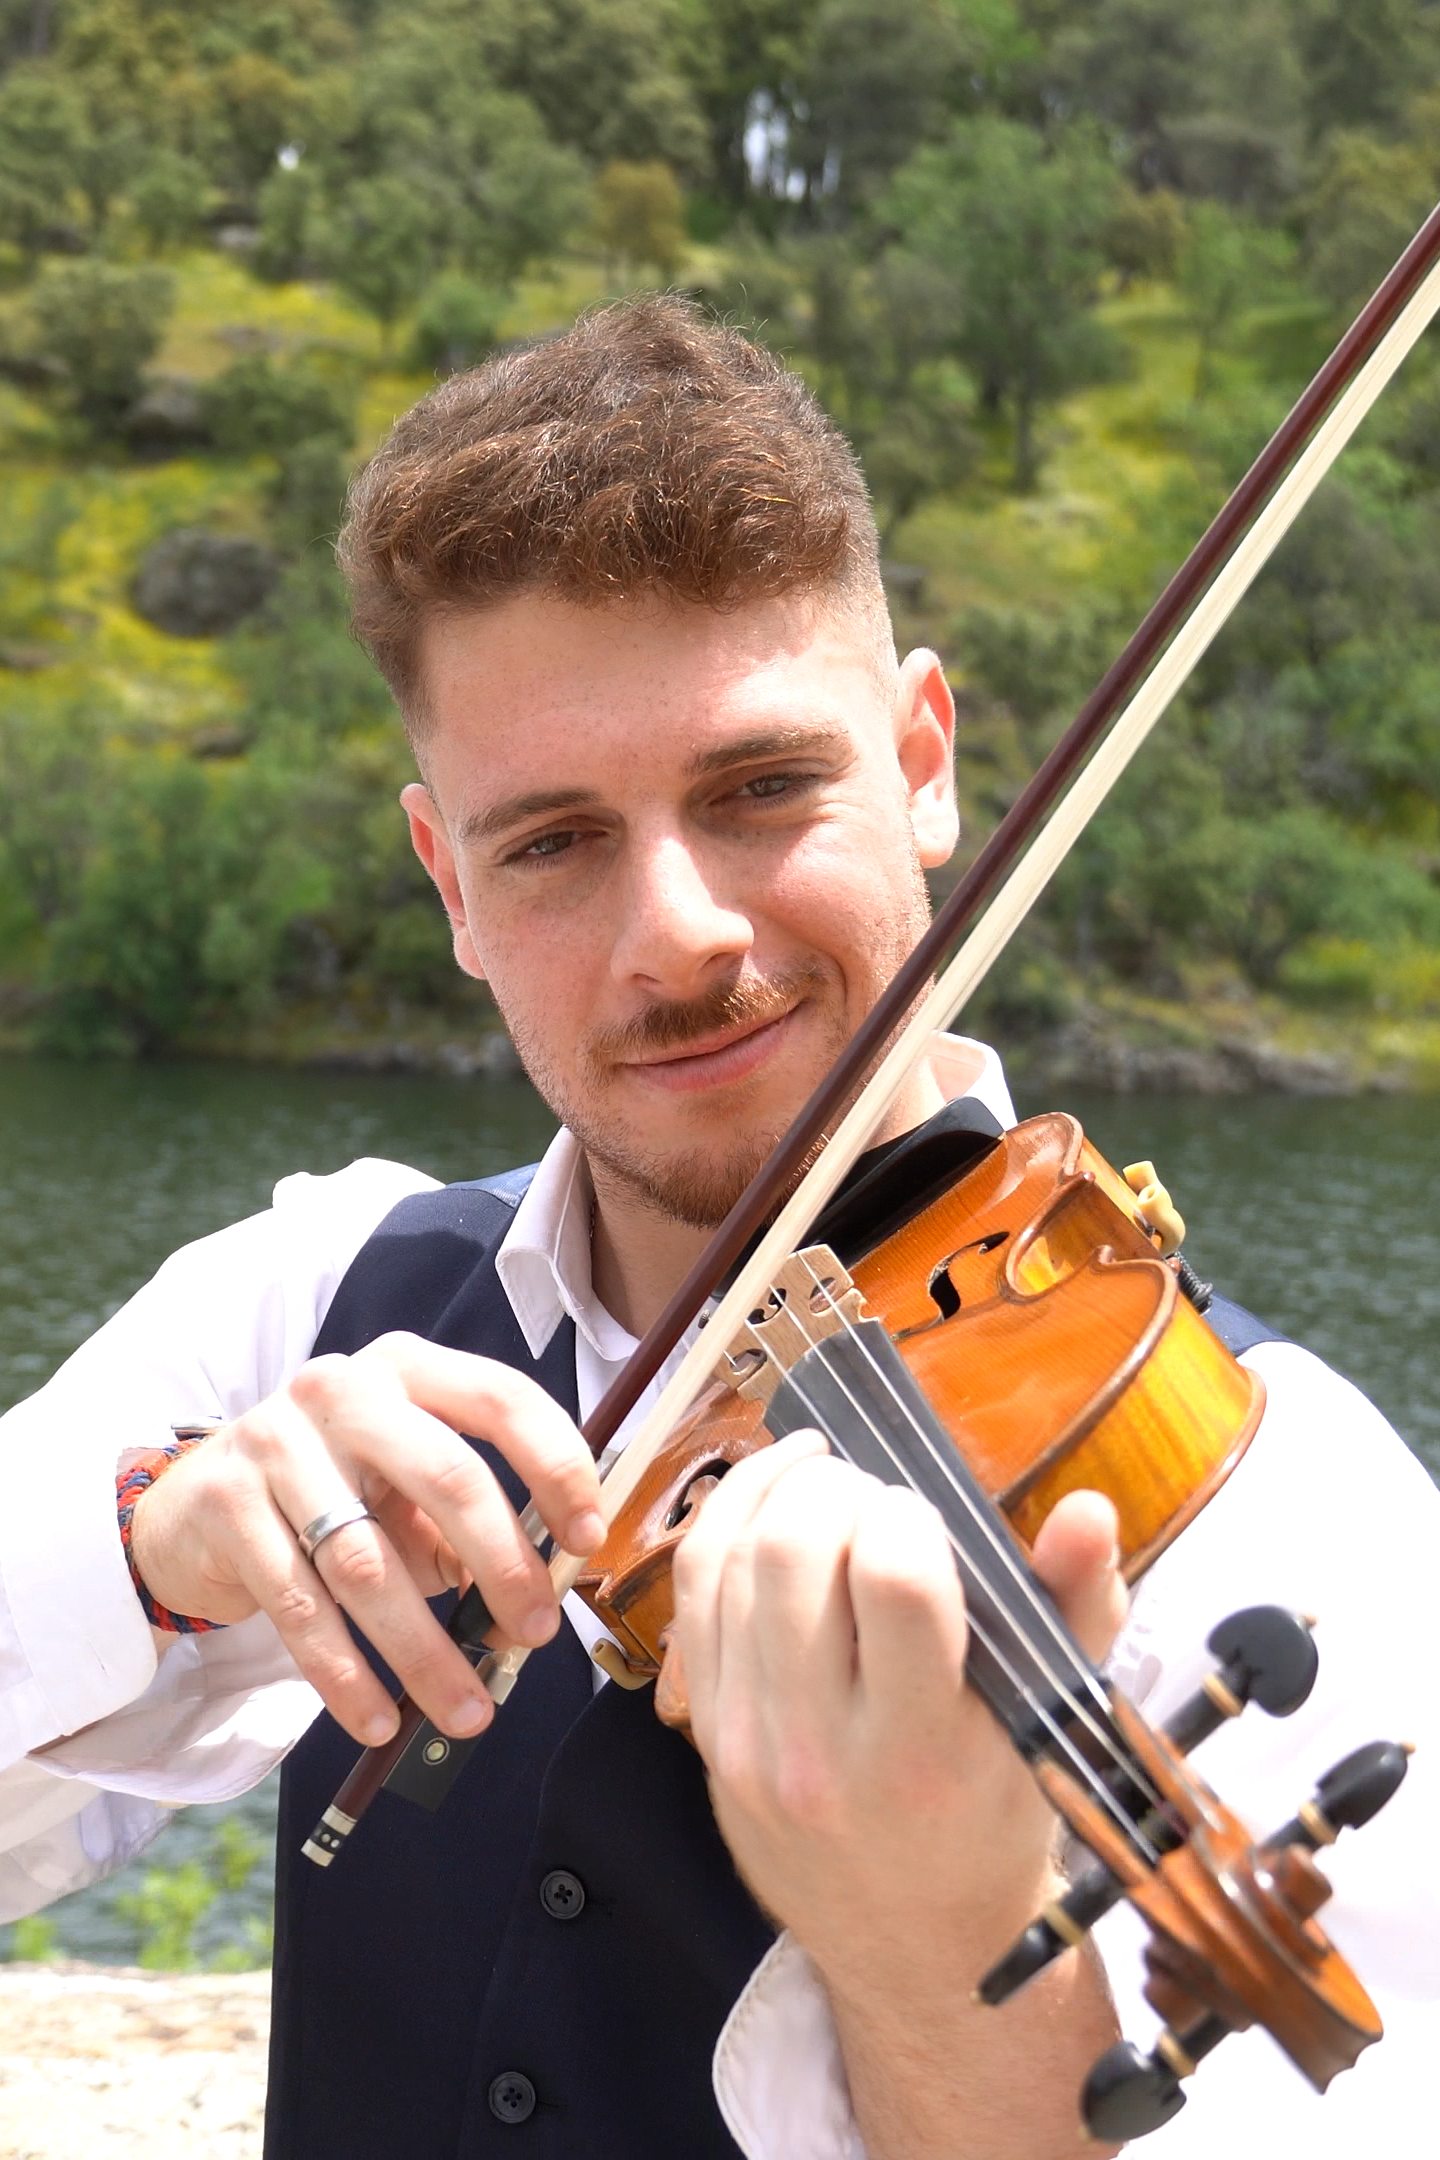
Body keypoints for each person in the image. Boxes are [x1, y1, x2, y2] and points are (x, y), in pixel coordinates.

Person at [0, 297, 1435, 2160]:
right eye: (554, 842)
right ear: (450, 883)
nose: (676, 931)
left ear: (923, 762)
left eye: (762, 788)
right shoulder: (326, 1301)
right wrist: (150, 1552)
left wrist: (935, 1954)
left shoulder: (1281, 1511)